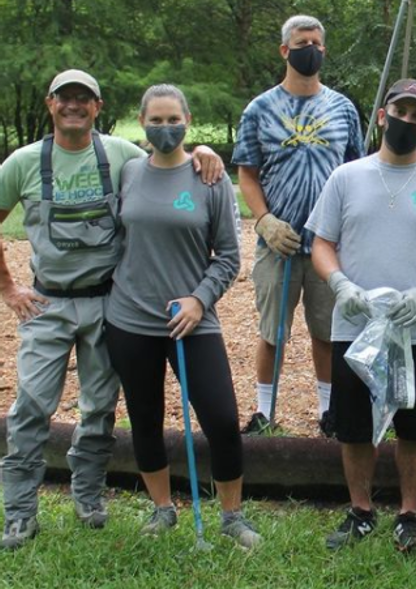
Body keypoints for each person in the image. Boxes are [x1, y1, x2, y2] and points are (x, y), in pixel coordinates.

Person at [0, 70, 223, 551]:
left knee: (99, 409)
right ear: (50, 104)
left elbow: (169, 166)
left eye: (85, 99)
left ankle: (88, 499)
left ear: (98, 107)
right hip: (47, 303)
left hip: (108, 303)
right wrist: (10, 289)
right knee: (31, 408)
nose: (74, 106)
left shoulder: (121, 156)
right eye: (66, 98)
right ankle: (19, 515)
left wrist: (205, 153)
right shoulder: (22, 163)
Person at [306, 79, 416, 552]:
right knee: (354, 426)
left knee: (415, 427)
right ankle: (360, 511)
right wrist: (339, 283)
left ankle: (409, 514)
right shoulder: (346, 177)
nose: (408, 122)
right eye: (402, 112)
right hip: (358, 327)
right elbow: (321, 243)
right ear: (382, 116)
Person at [103, 85, 259, 548]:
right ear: (142, 121)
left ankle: (232, 517)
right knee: (144, 417)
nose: (165, 128)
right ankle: (162, 509)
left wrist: (199, 299)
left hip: (192, 318)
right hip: (130, 317)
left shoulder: (209, 178)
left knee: (222, 419)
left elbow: (229, 257)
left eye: (174, 120)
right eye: (156, 120)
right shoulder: (128, 171)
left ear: (187, 121)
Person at [232, 14, 365, 436]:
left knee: (326, 331)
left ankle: (329, 413)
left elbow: (355, 170)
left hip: (328, 244)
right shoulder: (259, 109)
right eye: (302, 42)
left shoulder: (343, 108)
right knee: (273, 332)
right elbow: (247, 173)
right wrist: (265, 220)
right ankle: (264, 412)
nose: (311, 49)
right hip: (279, 245)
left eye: (317, 43)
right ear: (285, 50)